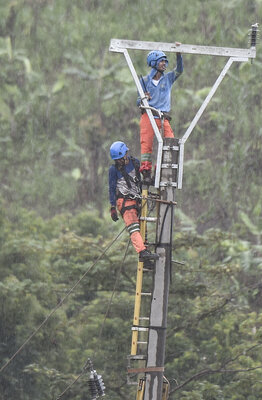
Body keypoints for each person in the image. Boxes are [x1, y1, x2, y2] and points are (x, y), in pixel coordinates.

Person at [108, 141, 160, 262]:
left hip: (137, 199)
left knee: (143, 227)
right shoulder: (113, 170)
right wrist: (112, 206)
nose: (121, 161)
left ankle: (145, 257)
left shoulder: (134, 162)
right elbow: (111, 188)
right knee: (133, 227)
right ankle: (142, 252)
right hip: (124, 201)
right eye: (118, 159)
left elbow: (141, 181)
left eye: (122, 158)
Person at [138, 47, 183, 183]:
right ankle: (146, 173)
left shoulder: (168, 79)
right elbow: (138, 101)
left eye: (165, 61)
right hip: (149, 115)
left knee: (169, 142)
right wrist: (143, 98)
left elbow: (179, 70)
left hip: (163, 117)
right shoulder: (145, 81)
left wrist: (178, 55)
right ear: (154, 63)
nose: (164, 64)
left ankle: (161, 170)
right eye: (161, 61)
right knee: (147, 144)